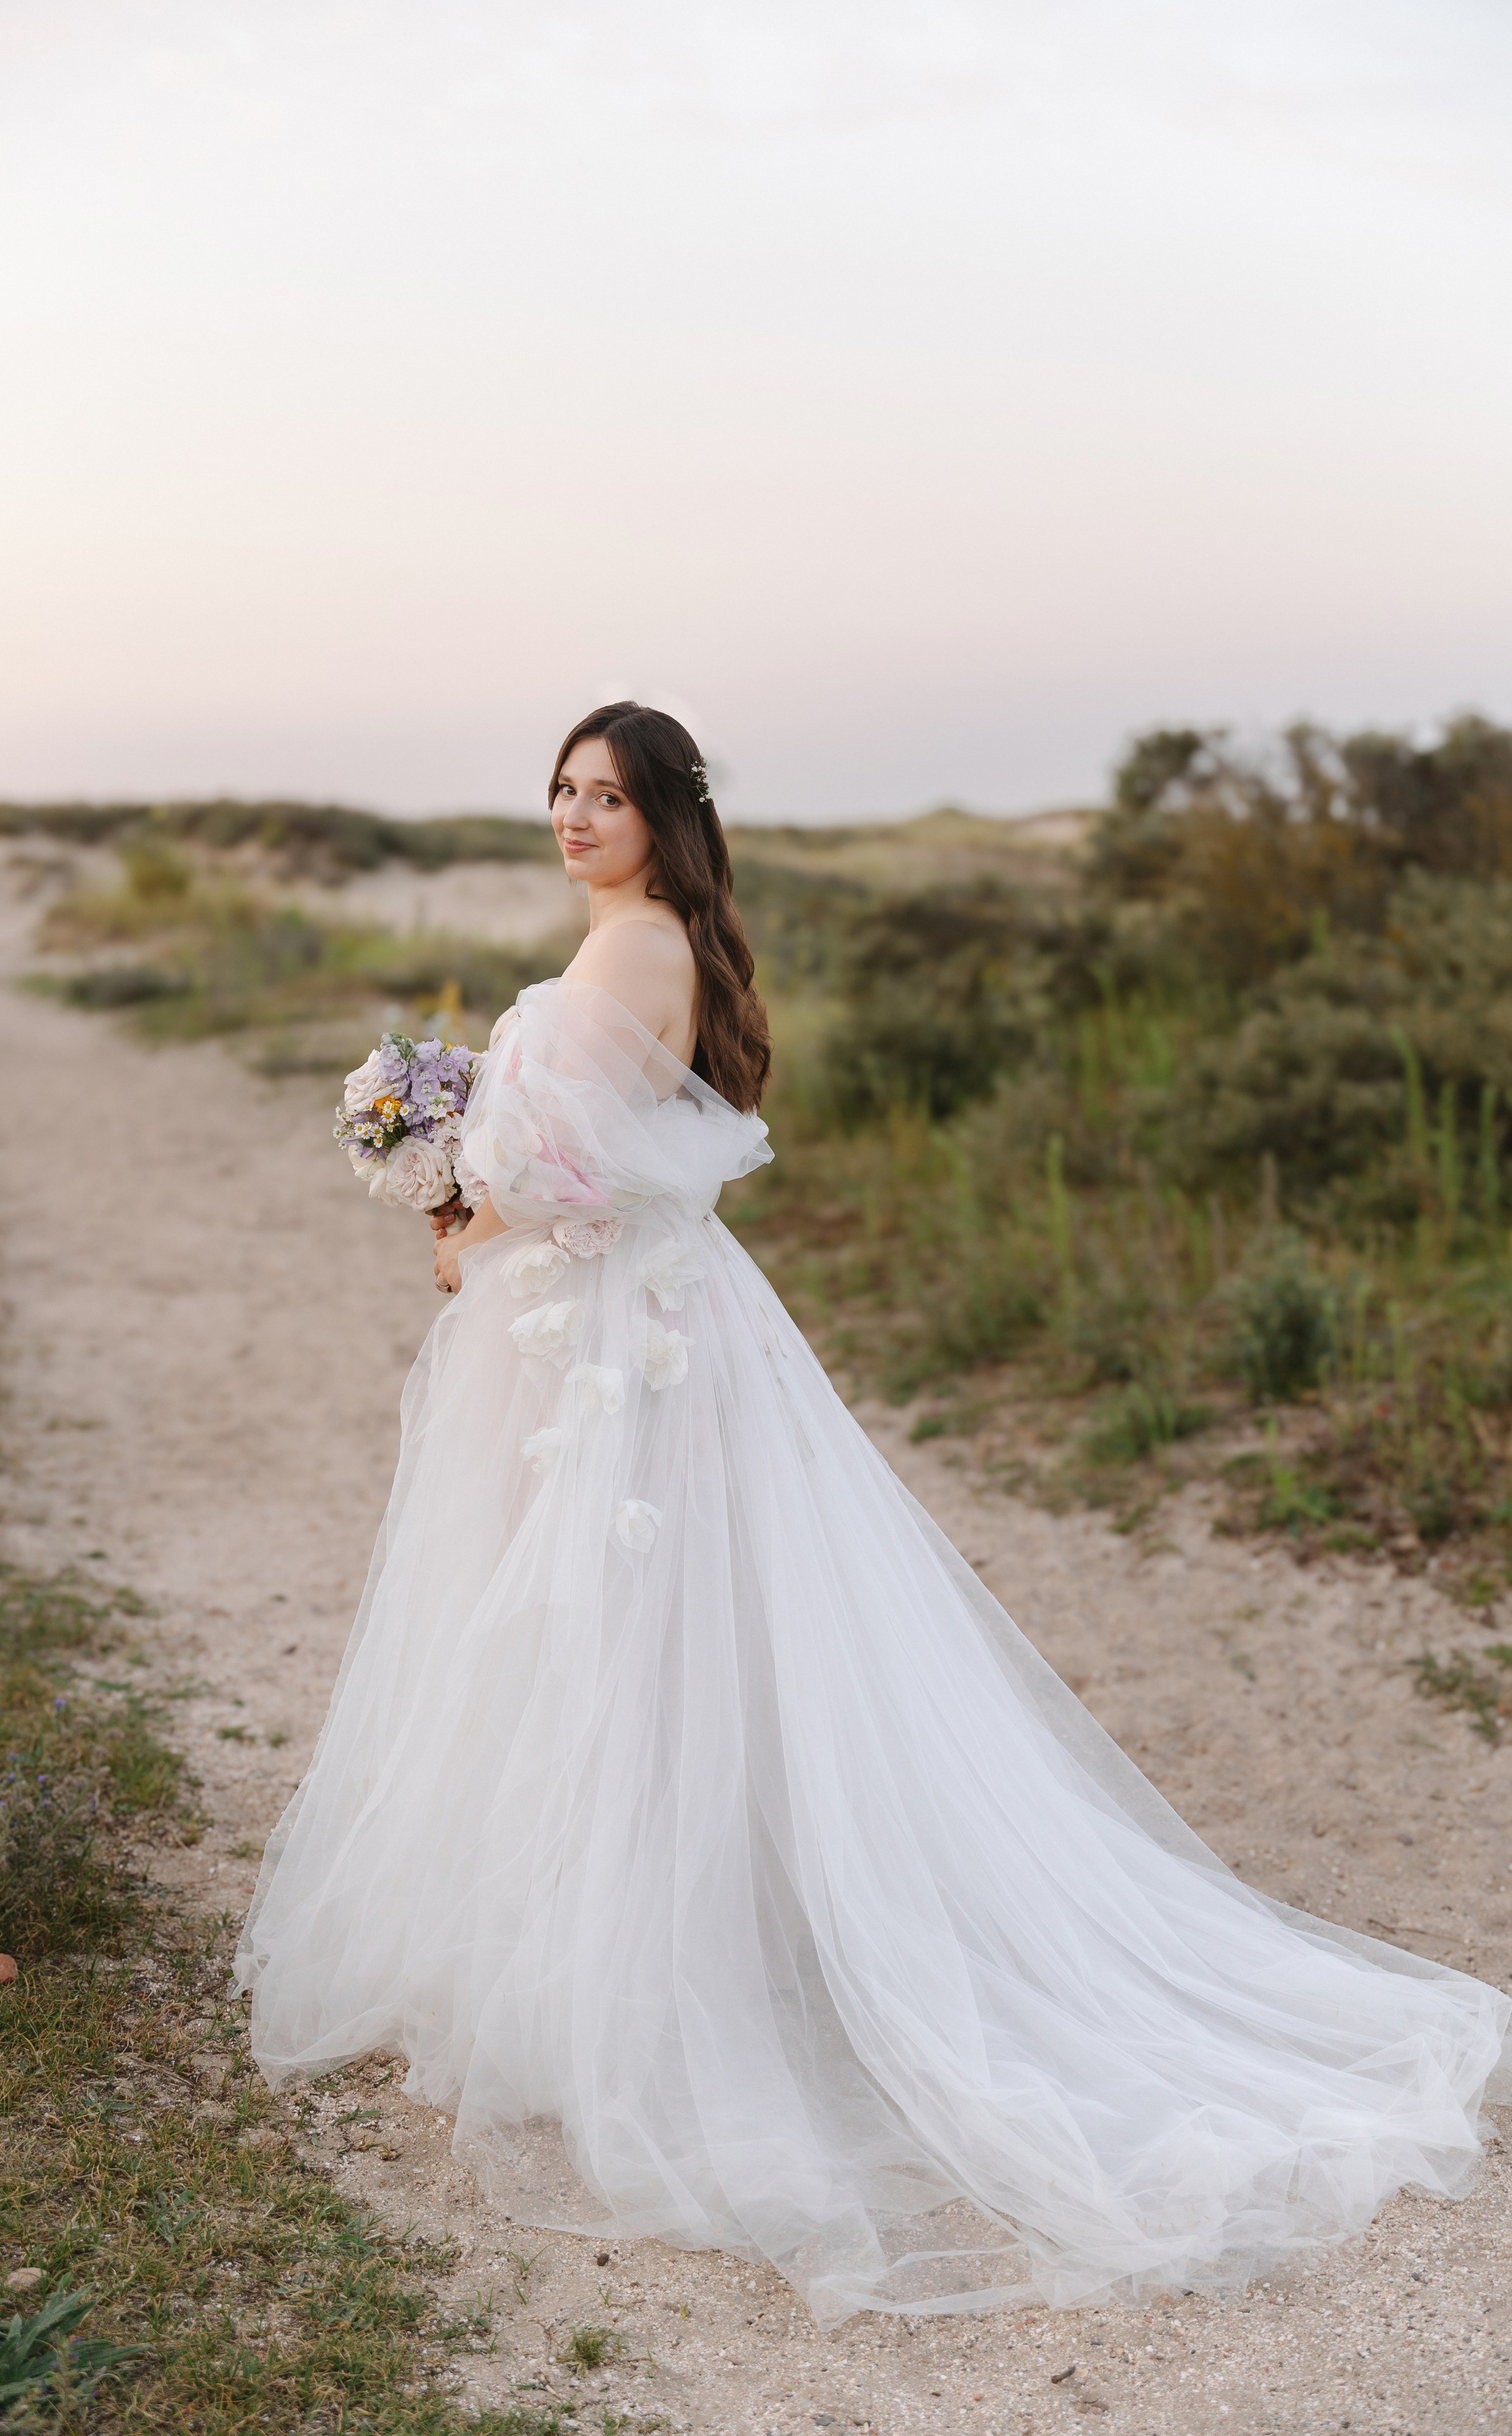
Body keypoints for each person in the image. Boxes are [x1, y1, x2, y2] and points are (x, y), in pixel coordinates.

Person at [238, 701, 1508, 2327]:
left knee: (618, 1622)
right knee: (607, 1625)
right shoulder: (631, 942)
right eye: (559, 791)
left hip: (615, 1329)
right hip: (594, 1320)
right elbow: (591, 1140)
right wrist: (458, 1171)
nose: (572, 817)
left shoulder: (633, 952)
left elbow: (579, 1172)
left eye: (605, 796)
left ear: (663, 815)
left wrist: (459, 1199)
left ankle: (647, 1986)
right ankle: (618, 1954)